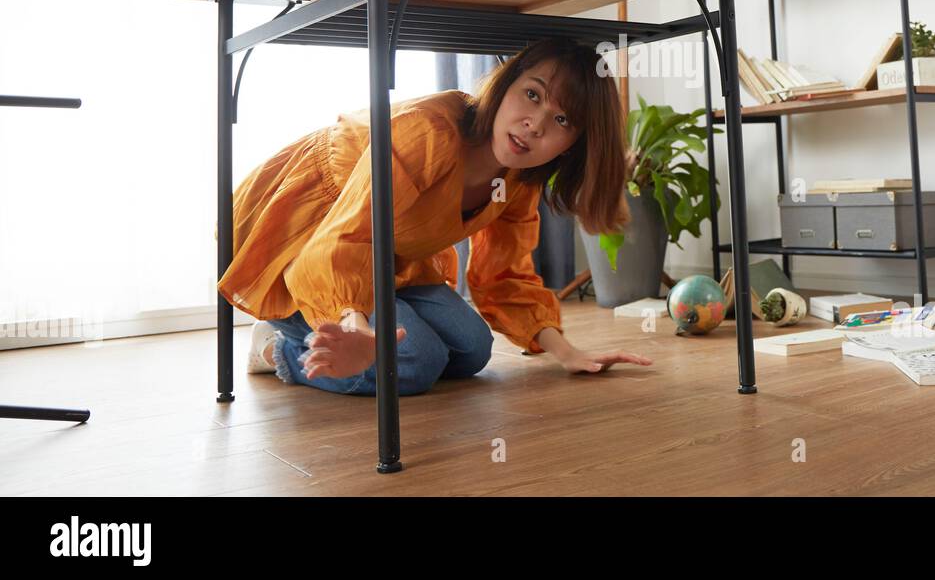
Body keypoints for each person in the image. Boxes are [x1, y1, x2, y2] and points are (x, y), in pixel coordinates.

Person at [217, 36, 651, 396]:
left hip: (387, 262)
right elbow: (343, 241)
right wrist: (356, 328)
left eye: (561, 119)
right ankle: (278, 348)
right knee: (415, 361)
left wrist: (567, 352)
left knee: (473, 349)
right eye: (532, 94)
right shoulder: (425, 134)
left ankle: (372, 336)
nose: (535, 124)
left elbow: (505, 273)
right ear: (505, 85)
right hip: (296, 247)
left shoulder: (518, 178)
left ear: (574, 144)